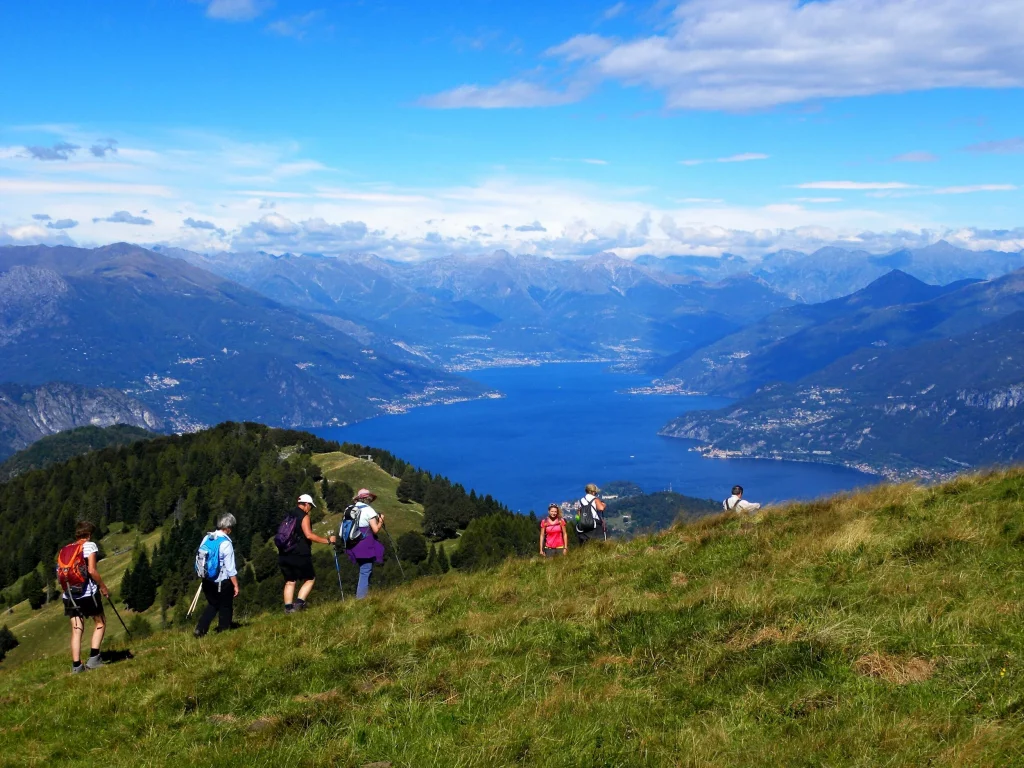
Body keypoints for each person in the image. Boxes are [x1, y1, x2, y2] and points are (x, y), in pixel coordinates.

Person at [57, 521, 110, 675]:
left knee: (76, 629)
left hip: (69, 595)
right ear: (88, 534)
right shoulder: (90, 546)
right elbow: (92, 570)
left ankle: (76, 666)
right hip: (87, 593)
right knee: (100, 622)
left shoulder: (65, 549)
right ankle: (94, 659)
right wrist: (103, 587)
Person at [279, 493, 336, 613]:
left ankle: (288, 609)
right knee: (310, 578)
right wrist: (327, 541)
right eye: (310, 506)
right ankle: (298, 605)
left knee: (290, 581)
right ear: (306, 504)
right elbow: (309, 535)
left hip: (284, 552)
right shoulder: (304, 516)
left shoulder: (288, 514)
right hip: (300, 553)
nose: (310, 509)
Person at [194, 514, 239, 638]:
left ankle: (200, 629)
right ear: (228, 528)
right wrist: (235, 585)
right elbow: (230, 568)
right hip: (221, 581)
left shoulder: (207, 538)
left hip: (207, 579)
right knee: (225, 605)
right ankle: (224, 631)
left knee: (213, 604)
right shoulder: (226, 544)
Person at [345, 488, 386, 599]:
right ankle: (361, 598)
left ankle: (363, 593)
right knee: (366, 569)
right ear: (368, 499)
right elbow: (375, 529)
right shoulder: (369, 510)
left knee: (363, 569)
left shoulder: (350, 509)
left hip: (352, 542)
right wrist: (381, 520)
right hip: (365, 542)